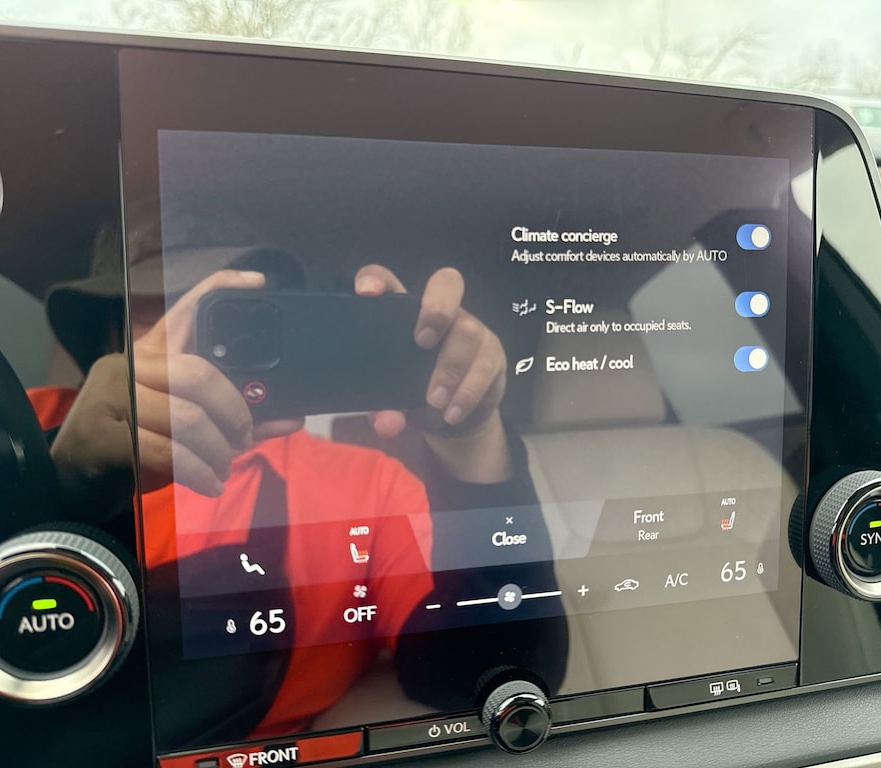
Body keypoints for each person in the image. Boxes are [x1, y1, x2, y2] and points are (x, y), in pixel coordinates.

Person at [38, 225, 563, 746]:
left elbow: (486, 669)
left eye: (227, 311)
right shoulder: (20, 423)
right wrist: (62, 478)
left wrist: (471, 440)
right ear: (107, 333)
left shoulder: (368, 486)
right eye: (157, 306)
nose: (198, 336)